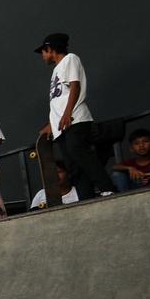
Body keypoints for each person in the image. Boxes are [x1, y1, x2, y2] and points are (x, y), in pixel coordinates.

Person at [35, 33, 116, 200]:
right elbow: (59, 99)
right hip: (61, 125)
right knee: (73, 165)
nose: (42, 56)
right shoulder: (56, 70)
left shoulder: (70, 59)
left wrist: (67, 113)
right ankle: (85, 197)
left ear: (50, 49)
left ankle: (107, 188)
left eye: (43, 51)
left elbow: (75, 86)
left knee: (79, 151)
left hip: (75, 119)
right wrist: (52, 123)